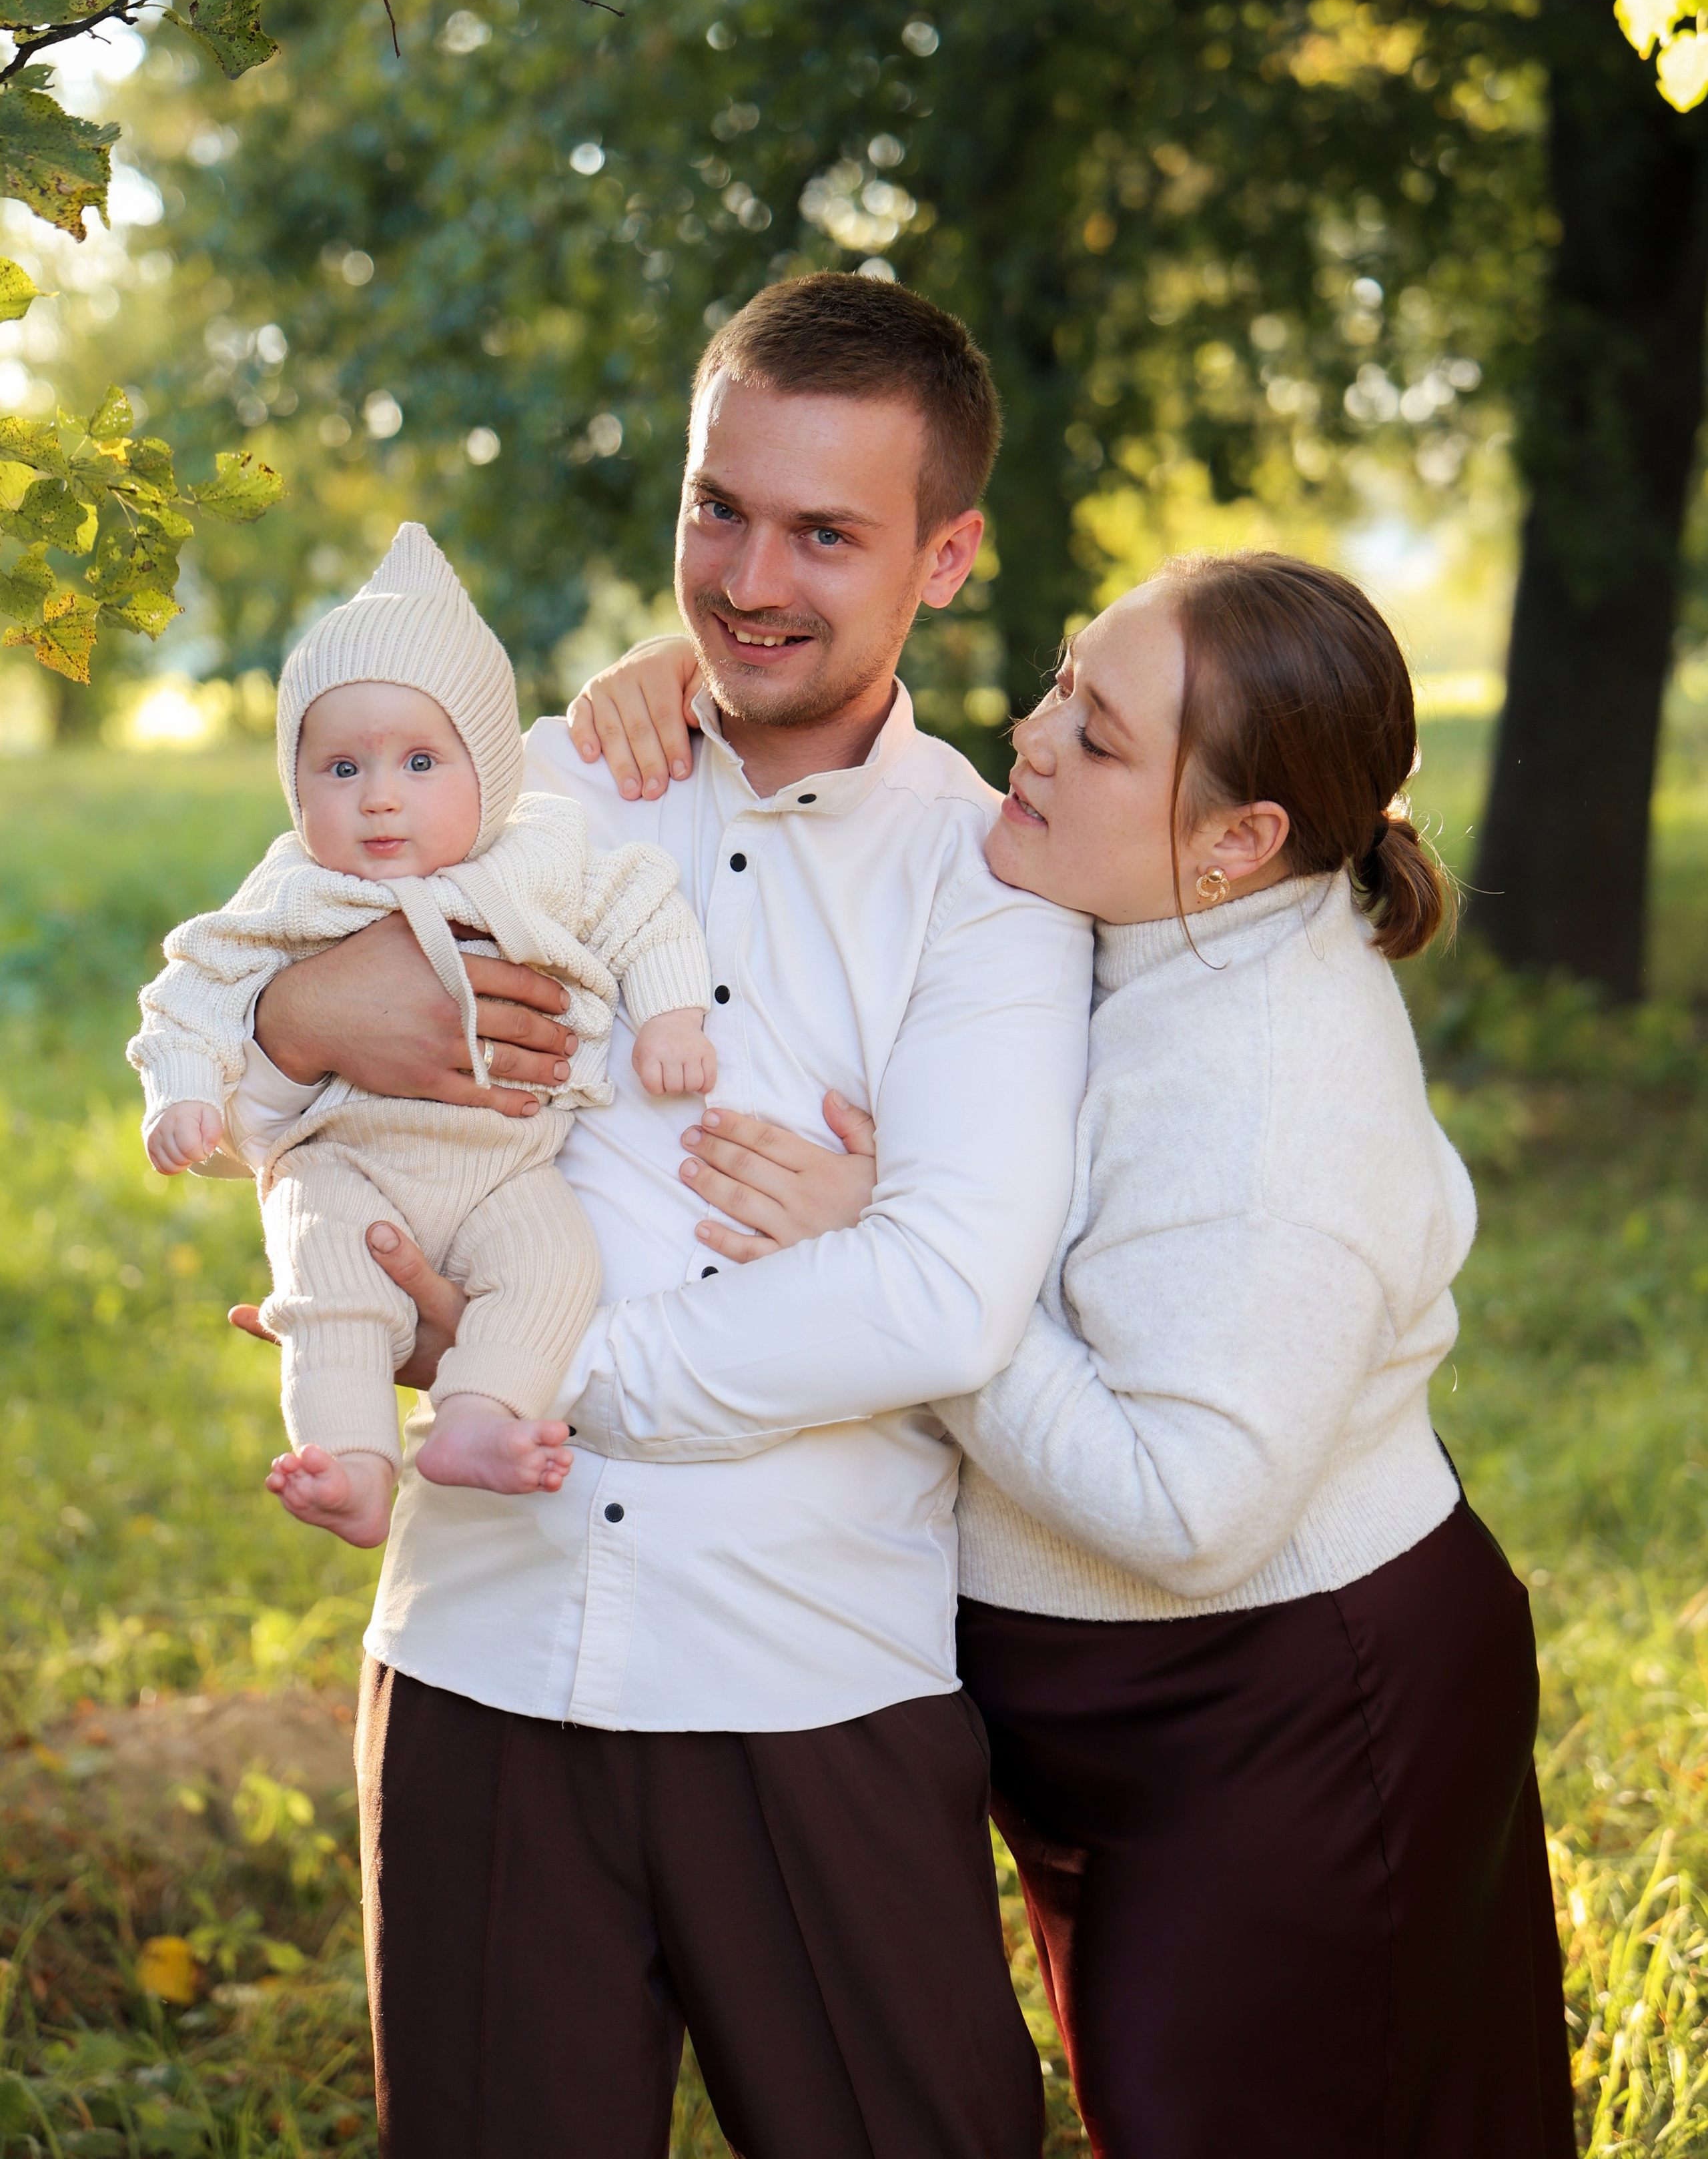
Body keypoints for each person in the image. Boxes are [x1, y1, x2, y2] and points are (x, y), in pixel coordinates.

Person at [221, 274, 1093, 2158]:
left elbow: (936, 1302)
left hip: (810, 1674)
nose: (751, 576)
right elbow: (252, 1066)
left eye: (825, 533)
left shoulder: (995, 881)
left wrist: (523, 1366)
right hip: (479, 1647)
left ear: (945, 559)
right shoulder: (522, 797)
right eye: (720, 507)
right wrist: (300, 1022)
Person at [580, 549, 1576, 2159]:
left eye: (1097, 736)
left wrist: (898, 1262)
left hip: (1284, 1715)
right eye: (1059, 681)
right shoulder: (1146, 905)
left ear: (1238, 840)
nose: (1035, 739)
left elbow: (1188, 1510)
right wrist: (676, 680)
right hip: (1139, 1723)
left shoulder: (1272, 1104)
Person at [132, 521, 714, 1549]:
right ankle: (352, 1463)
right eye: (341, 769)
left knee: (554, 1268)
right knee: (328, 1287)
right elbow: (197, 987)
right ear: (294, 784)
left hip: (507, 1169)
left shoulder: (541, 850)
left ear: (489, 773)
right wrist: (182, 1093)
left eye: (418, 761)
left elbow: (642, 903)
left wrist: (671, 1008)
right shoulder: (295, 888)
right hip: (346, 1160)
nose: (382, 796)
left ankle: (479, 1420)